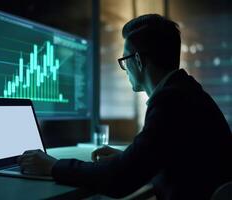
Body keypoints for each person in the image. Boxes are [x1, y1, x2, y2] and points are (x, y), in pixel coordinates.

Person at [18, 14, 232, 199]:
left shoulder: (171, 101)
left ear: (138, 60)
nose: (125, 68)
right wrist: (128, 158)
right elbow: (163, 155)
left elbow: (119, 180)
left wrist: (53, 166)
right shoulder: (186, 91)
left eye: (124, 60)